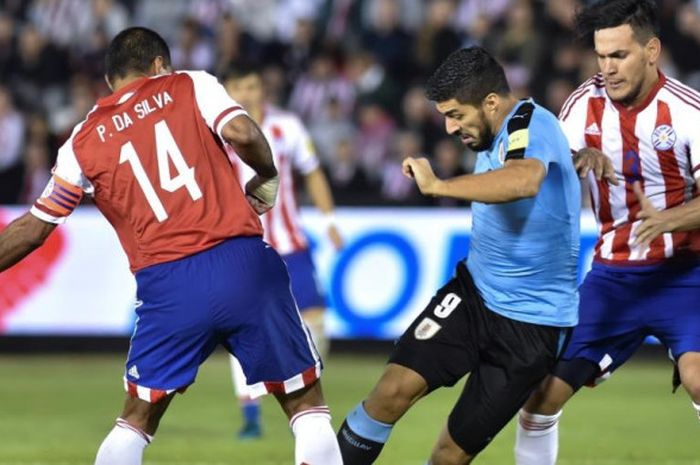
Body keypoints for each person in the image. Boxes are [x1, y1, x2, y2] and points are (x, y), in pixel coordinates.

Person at [0, 27, 342, 465]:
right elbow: (242, 132)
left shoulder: (82, 141)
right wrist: (266, 175)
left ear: (110, 82)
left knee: (136, 420)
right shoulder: (190, 83)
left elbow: (35, 227)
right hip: (240, 260)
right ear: (160, 65)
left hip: (167, 285)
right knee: (306, 405)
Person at [336, 46, 581, 465]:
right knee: (389, 392)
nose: (449, 128)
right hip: (473, 296)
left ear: (490, 102)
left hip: (532, 324)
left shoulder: (531, 122)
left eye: (456, 115)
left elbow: (523, 180)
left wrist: (440, 187)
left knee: (450, 456)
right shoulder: (497, 131)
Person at [514, 2, 700, 464]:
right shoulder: (581, 106)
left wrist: (669, 220)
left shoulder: (688, 111)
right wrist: (573, 161)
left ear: (651, 50)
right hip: (613, 278)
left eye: (619, 55)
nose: (608, 68)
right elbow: (542, 173)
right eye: (601, 56)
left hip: (688, 276)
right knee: (539, 400)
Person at [221, 63, 343, 440]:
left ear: (262, 88)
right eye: (239, 86)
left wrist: (329, 219)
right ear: (228, 90)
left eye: (253, 84)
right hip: (244, 245)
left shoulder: (286, 126)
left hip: (291, 243)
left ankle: (306, 395)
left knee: (317, 316)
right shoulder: (215, 134)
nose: (247, 93)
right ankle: (251, 414)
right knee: (243, 328)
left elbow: (313, 171)